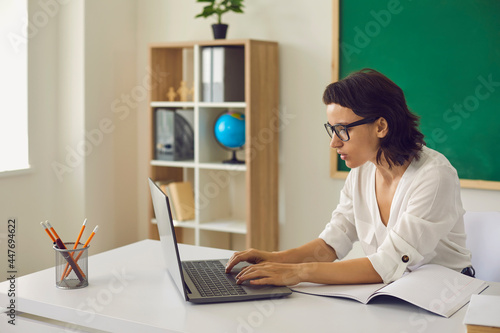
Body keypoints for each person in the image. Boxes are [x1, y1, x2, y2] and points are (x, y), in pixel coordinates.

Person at [225, 68, 472, 286]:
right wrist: (274, 258)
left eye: (342, 130)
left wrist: (297, 272)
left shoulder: (434, 176)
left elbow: (387, 263)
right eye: (332, 130)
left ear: (381, 127)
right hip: (393, 291)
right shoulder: (362, 171)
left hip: (444, 296)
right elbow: (332, 242)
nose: (334, 143)